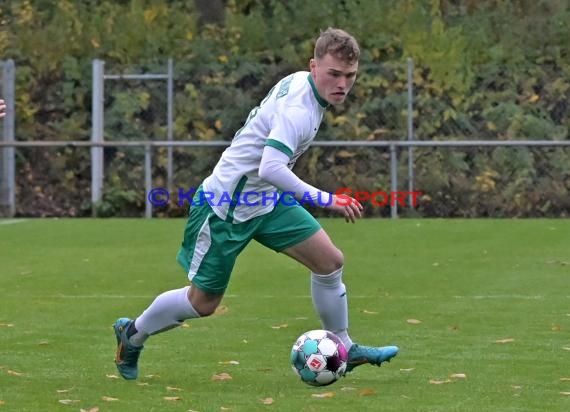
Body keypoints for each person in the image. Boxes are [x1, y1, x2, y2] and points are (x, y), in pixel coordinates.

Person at [113, 27, 399, 380]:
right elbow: (271, 166)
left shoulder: (302, 84)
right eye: (334, 74)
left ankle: (344, 347)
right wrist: (327, 199)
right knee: (202, 303)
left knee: (329, 262)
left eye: (350, 76)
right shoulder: (299, 109)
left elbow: (268, 166)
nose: (342, 84)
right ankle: (133, 334)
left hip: (264, 199)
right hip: (227, 206)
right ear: (314, 67)